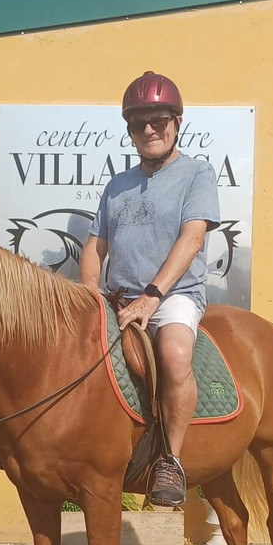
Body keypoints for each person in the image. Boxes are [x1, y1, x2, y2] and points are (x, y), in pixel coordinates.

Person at [80, 70, 220, 507]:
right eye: (138, 123)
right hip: (118, 300)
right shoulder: (116, 185)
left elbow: (192, 239)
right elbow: (93, 248)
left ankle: (171, 462)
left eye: (158, 120)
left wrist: (152, 297)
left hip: (173, 297)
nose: (148, 130)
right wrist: (89, 296)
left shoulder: (197, 174)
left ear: (177, 123)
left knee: (175, 354)